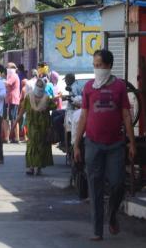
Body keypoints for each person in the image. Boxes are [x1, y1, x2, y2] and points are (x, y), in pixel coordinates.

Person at [74, 49, 136, 241]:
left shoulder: (119, 87)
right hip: (92, 143)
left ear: (109, 66)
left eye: (99, 65)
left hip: (115, 145)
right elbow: (83, 116)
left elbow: (126, 114)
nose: (97, 69)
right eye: (94, 65)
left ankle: (112, 214)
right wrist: (77, 144)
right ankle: (97, 230)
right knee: (95, 186)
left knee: (118, 183)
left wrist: (131, 142)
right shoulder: (88, 88)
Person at [14, 78, 56, 176]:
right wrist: (16, 121)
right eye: (39, 85)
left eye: (41, 86)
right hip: (36, 125)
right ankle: (34, 167)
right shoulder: (32, 97)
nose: (40, 88)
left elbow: (53, 106)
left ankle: (35, 168)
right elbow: (22, 110)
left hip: (40, 126)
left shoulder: (39, 97)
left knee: (37, 145)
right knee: (35, 145)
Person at [4, 62, 20, 144]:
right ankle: (13, 137)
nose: (7, 69)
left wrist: (0, 80)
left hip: (11, 100)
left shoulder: (13, 76)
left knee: (10, 119)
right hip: (11, 99)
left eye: (8, 67)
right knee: (11, 119)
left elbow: (7, 83)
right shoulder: (11, 76)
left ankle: (12, 137)